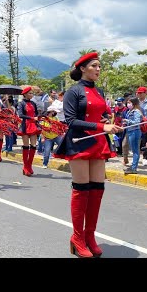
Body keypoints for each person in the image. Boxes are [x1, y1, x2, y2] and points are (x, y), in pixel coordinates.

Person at [54, 52, 122, 258]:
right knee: (82, 190)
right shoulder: (73, 92)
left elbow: (99, 113)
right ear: (82, 68)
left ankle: (90, 236)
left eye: (100, 66)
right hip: (79, 142)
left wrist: (112, 125)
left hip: (99, 141)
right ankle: (77, 237)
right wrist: (102, 125)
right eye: (94, 66)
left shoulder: (99, 91)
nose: (98, 69)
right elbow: (71, 121)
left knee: (97, 190)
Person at [17, 86, 41, 176]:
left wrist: (39, 117)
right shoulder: (21, 103)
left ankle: (29, 165)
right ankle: (25, 166)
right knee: (26, 146)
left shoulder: (33, 103)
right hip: (25, 126)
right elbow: (20, 115)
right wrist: (32, 117)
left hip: (33, 125)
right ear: (25, 94)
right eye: (30, 93)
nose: (32, 95)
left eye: (32, 93)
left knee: (34, 146)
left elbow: (36, 114)